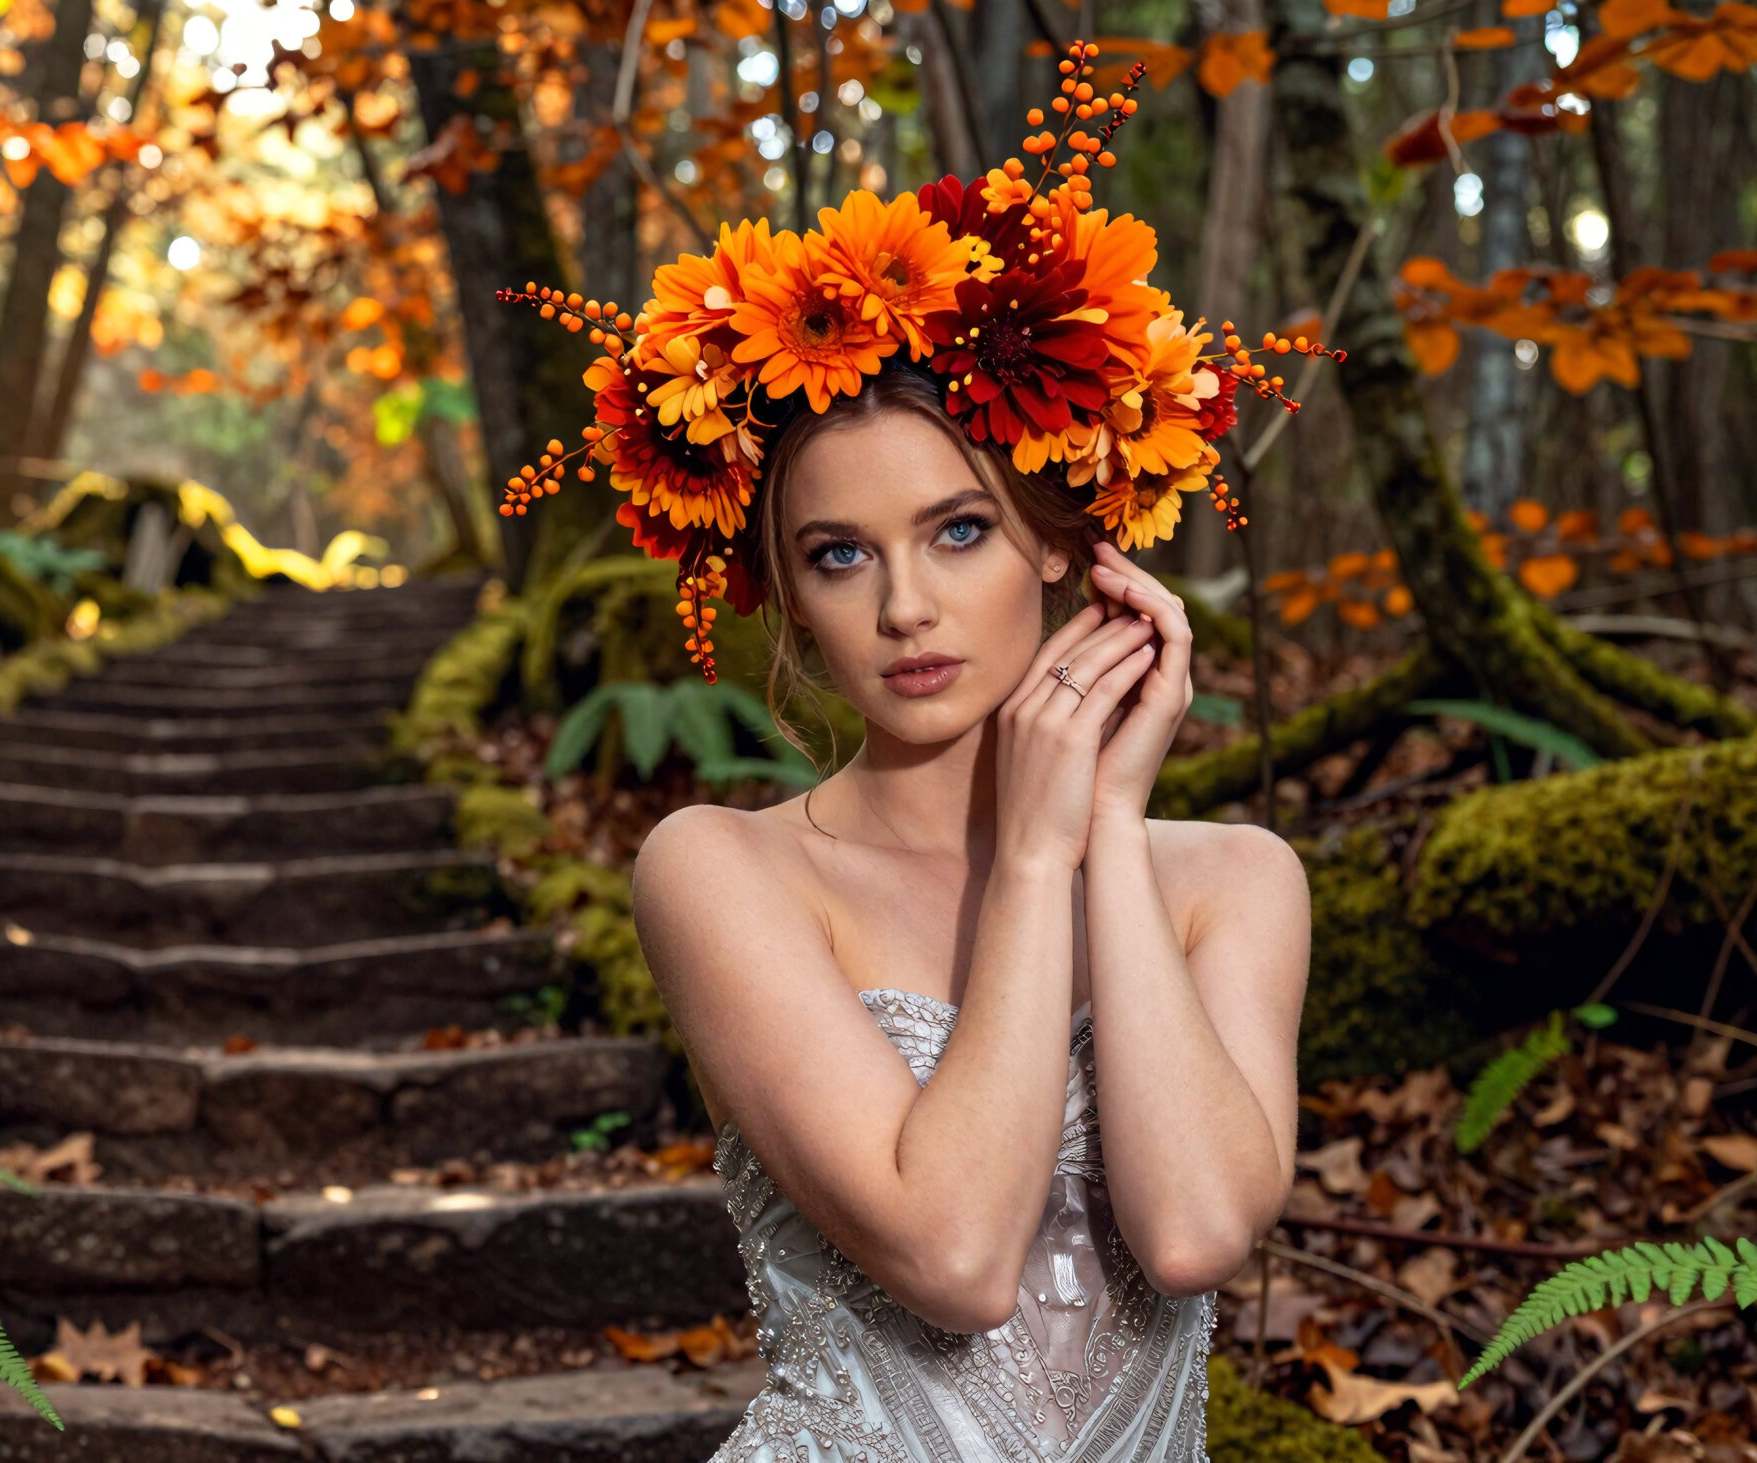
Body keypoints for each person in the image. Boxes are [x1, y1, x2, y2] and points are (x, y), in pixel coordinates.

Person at [495, 43, 1322, 1460]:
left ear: (1064, 544)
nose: (903, 608)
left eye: (957, 530)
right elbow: (954, 1257)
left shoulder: (1232, 882)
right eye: (837, 554)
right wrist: (1040, 856)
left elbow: (1191, 1235)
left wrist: (1108, 836)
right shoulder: (723, 871)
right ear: (786, 591)